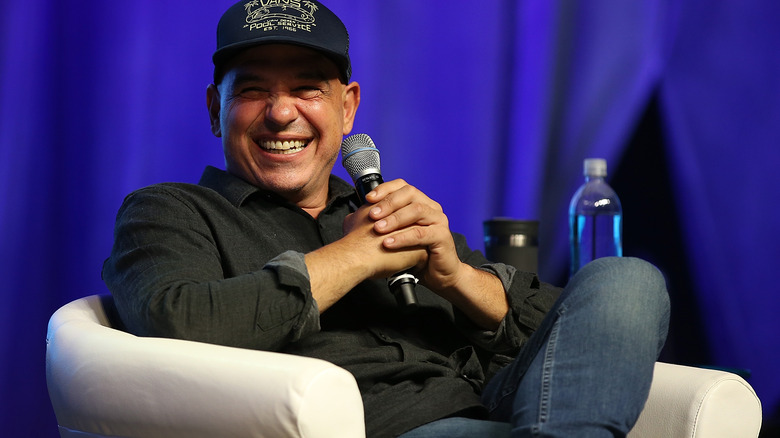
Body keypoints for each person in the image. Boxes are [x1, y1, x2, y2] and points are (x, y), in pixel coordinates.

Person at [103, 1, 670, 437]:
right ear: (214, 110)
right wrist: (352, 257)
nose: (280, 113)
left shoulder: (384, 211)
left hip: (499, 409)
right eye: (252, 92)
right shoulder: (169, 212)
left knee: (626, 280)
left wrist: (456, 278)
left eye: (307, 89)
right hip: (389, 427)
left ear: (347, 107)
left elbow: (569, 332)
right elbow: (174, 321)